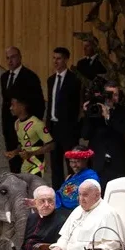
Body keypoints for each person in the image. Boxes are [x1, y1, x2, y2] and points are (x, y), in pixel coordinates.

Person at [0, 46, 45, 173]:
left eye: (13, 57)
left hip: (26, 126)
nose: (10, 61)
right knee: (13, 159)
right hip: (9, 126)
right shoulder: (4, 77)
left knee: (28, 160)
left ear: (20, 57)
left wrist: (33, 125)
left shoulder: (30, 77)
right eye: (7, 58)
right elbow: (5, 103)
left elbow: (39, 103)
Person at [80, 81, 125, 189]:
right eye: (108, 94)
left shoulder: (124, 112)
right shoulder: (95, 111)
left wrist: (108, 116)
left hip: (117, 163)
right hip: (97, 162)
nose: (111, 98)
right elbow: (85, 135)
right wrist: (87, 114)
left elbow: (123, 130)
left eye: (115, 94)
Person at [46, 47, 82, 189]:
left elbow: (76, 106)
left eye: (59, 58)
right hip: (53, 127)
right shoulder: (51, 80)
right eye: (54, 58)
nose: (55, 61)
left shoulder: (74, 80)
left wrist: (75, 127)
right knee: (55, 164)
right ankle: (56, 193)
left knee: (71, 162)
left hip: (68, 128)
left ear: (66, 60)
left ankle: (71, 192)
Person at [5, 89, 54, 178]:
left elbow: (51, 145)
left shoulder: (37, 123)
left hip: (37, 164)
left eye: (13, 105)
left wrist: (32, 153)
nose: (10, 108)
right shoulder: (17, 123)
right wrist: (14, 152)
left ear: (22, 106)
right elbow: (22, 144)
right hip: (25, 164)